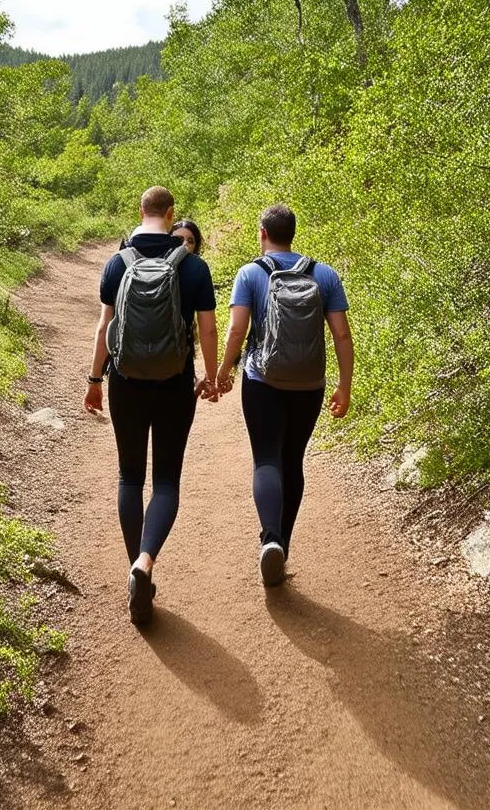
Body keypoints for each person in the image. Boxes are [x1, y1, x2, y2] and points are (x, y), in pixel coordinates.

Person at [84, 187, 218, 624]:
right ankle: (145, 563)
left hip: (125, 382)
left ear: (140, 212)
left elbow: (105, 327)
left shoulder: (117, 263)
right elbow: (209, 329)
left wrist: (94, 380)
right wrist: (211, 376)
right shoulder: (194, 266)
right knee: (165, 482)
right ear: (171, 214)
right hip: (174, 383)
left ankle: (132, 570)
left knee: (128, 476)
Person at [215, 204, 354, 586]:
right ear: (293, 233)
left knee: (266, 459)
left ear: (262, 232)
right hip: (309, 383)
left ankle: (269, 539)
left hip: (262, 380)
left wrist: (223, 373)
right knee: (293, 459)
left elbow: (236, 330)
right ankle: (282, 547)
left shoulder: (249, 274)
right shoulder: (324, 275)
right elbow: (341, 335)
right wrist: (344, 385)